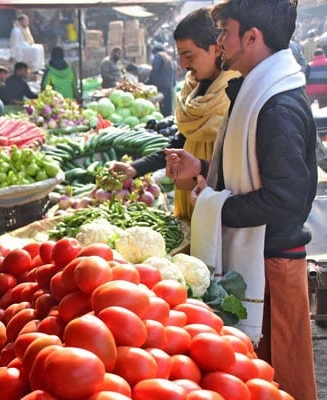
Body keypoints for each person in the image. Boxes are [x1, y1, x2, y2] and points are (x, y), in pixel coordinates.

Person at [166, 1, 317, 399]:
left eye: (224, 32)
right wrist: (201, 169)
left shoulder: (276, 105)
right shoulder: (259, 91)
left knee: (279, 378)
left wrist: (212, 204)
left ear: (252, 37)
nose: (218, 42)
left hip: (273, 264)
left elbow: (283, 199)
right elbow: (253, 173)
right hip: (263, 257)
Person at [109, 8, 240, 220]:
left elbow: (240, 172)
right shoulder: (194, 88)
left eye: (189, 55)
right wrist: (135, 168)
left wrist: (199, 174)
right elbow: (180, 142)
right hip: (189, 202)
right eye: (180, 56)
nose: (183, 65)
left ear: (216, 49)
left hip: (223, 213)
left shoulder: (234, 94)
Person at [147, 45, 176, 116]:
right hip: (168, 86)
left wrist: (149, 82)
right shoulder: (169, 59)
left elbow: (155, 70)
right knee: (167, 107)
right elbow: (173, 74)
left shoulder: (158, 57)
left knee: (161, 106)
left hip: (160, 86)